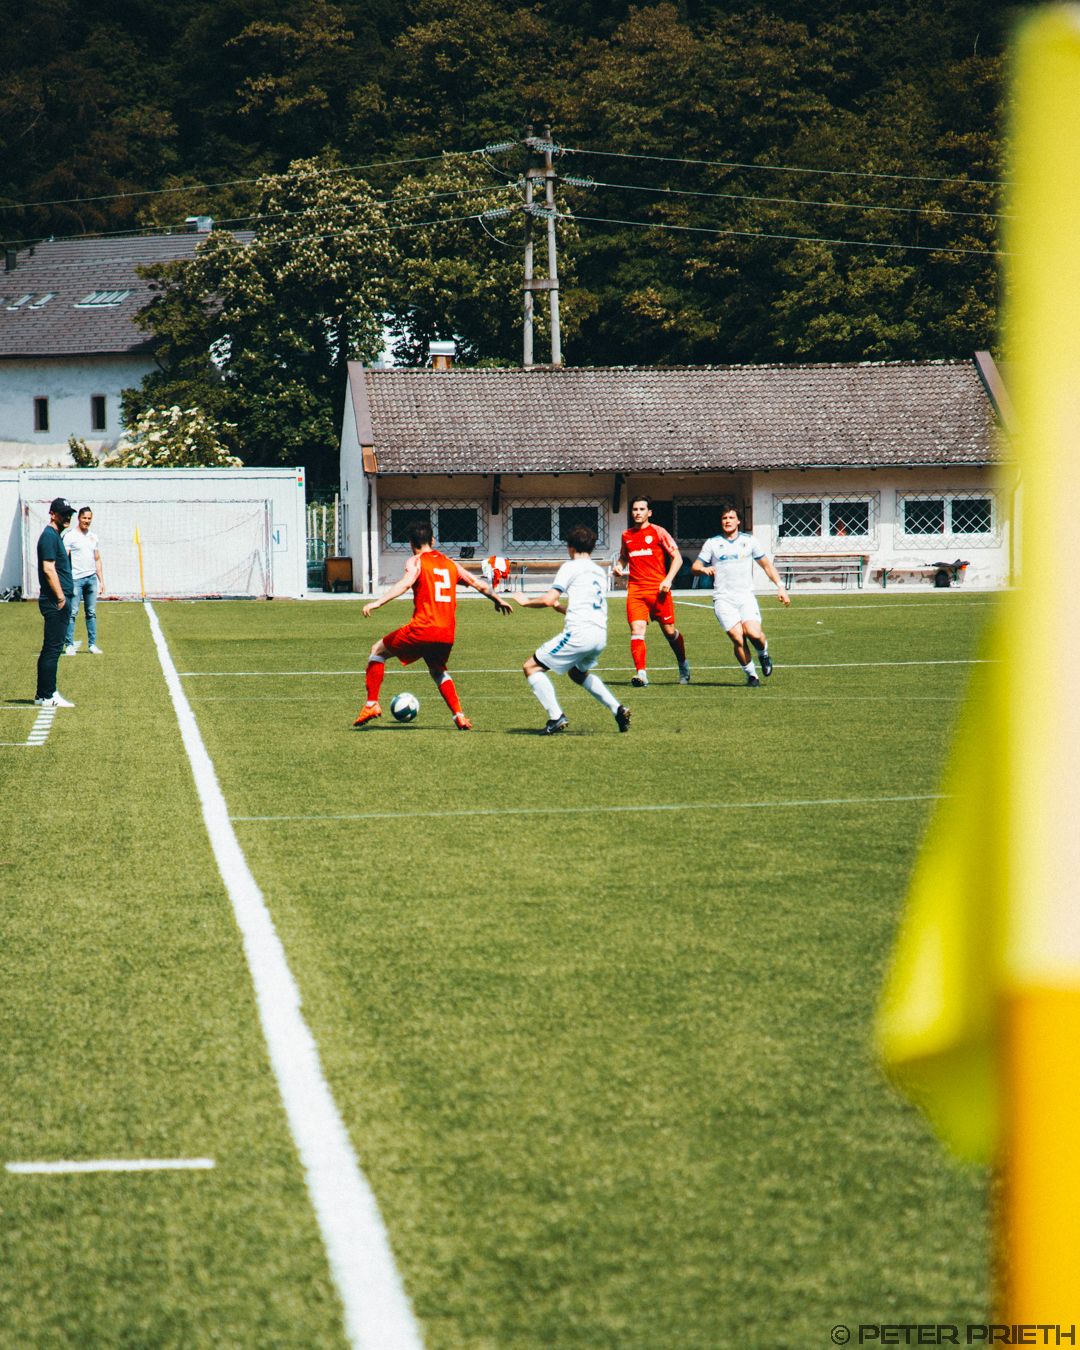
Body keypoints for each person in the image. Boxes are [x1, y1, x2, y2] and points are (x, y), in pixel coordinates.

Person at [354, 520, 513, 729]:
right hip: (446, 633)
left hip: (423, 628)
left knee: (377, 651)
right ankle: (459, 715)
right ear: (433, 540)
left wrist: (378, 602)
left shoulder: (416, 561)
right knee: (438, 671)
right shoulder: (450, 563)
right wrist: (498, 599)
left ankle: (371, 704)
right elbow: (478, 584)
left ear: (411, 543)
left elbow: (406, 583)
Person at [515, 524, 631, 735]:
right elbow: (586, 606)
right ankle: (618, 709)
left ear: (570, 547)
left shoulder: (570, 567)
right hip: (599, 634)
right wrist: (561, 609)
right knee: (577, 673)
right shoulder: (598, 571)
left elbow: (549, 599)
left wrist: (526, 602)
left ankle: (556, 717)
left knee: (531, 667)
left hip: (580, 634)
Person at [691, 504, 790, 687]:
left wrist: (780, 587)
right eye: (724, 518)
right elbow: (695, 567)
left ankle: (763, 654)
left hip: (745, 597)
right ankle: (752, 675)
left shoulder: (749, 541)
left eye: (731, 518)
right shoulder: (712, 543)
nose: (727, 521)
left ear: (738, 521)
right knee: (737, 637)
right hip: (723, 599)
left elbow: (767, 565)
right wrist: (704, 570)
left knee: (753, 633)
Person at [612, 495, 690, 686]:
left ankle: (683, 665)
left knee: (670, 632)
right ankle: (641, 675)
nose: (638, 513)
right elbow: (624, 557)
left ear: (649, 512)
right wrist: (619, 566)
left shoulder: (658, 532)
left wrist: (668, 579)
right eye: (635, 509)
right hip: (636, 591)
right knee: (637, 630)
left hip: (658, 591)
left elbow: (677, 558)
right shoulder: (626, 535)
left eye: (641, 509)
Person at [35, 498, 76, 708]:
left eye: (69, 513)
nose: (67, 517)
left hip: (57, 600)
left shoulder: (55, 536)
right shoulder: (49, 537)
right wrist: (61, 598)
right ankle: (48, 695)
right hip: (55, 601)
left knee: (50, 648)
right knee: (53, 649)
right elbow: (49, 569)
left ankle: (42, 694)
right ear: (52, 514)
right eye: (63, 513)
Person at [62, 507, 104, 656]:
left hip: (91, 579)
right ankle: (69, 645)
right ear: (79, 518)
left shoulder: (93, 537)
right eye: (84, 518)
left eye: (89, 518)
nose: (87, 521)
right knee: (72, 613)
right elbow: (64, 560)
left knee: (91, 613)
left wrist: (101, 581)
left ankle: (92, 644)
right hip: (75, 580)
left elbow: (97, 559)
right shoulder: (69, 536)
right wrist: (65, 580)